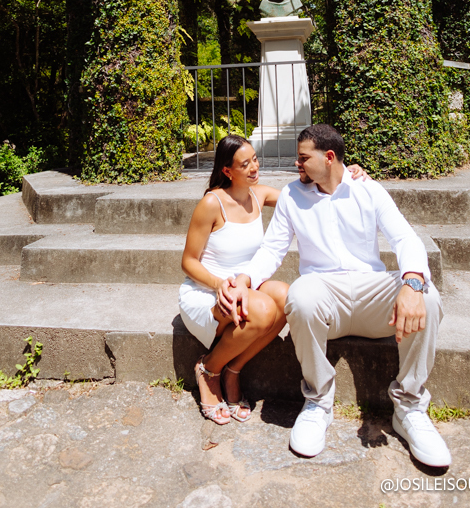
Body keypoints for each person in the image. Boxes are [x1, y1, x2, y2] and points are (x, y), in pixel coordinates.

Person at [221, 124, 451, 467]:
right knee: (300, 294)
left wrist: (413, 283)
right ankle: (318, 402)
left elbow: (404, 238)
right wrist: (243, 279)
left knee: (427, 296)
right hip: (326, 301)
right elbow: (272, 250)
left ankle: (409, 406)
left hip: (372, 295)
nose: (296, 165)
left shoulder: (367, 189)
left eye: (302, 158)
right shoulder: (291, 196)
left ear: (329, 158)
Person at [179, 133, 369, 426]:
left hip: (247, 285)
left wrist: (347, 174)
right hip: (209, 292)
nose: (254, 167)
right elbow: (188, 261)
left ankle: (234, 368)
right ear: (227, 171)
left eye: (255, 159)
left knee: (287, 297)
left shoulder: (261, 194)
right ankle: (208, 368)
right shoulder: (212, 203)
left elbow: (314, 191)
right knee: (266, 308)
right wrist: (220, 285)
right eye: (245, 164)